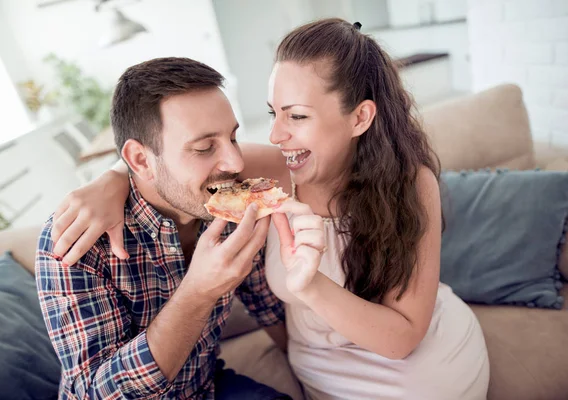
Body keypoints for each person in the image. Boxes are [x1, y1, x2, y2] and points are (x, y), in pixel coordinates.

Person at [50, 19, 490, 400]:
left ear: (360, 118)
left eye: (295, 116)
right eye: (272, 114)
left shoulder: (404, 184)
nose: (273, 137)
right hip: (316, 373)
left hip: (419, 366)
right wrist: (110, 178)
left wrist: (309, 286)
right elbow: (166, 162)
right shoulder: (265, 175)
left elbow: (397, 338)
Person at [35, 57, 325, 400]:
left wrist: (322, 379)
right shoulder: (75, 241)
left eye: (233, 138)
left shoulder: (228, 204)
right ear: (142, 160)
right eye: (204, 148)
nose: (235, 162)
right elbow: (94, 393)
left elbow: (268, 306)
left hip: (206, 388)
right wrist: (198, 291)